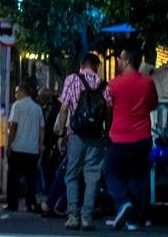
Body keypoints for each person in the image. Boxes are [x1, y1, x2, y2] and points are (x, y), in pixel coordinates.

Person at [57, 52, 112, 231]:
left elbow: (64, 108)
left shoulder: (72, 79)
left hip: (76, 135)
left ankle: (73, 216)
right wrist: (106, 133)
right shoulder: (104, 85)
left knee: (72, 175)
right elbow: (109, 112)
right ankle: (87, 218)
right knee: (93, 176)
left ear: (81, 64)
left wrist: (61, 134)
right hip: (96, 136)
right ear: (96, 66)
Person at [104, 47, 158, 231]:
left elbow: (109, 107)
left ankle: (123, 201)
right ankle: (133, 220)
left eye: (120, 58)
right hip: (142, 137)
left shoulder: (114, 84)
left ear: (126, 60)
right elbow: (153, 105)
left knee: (111, 171)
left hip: (119, 136)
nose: (118, 61)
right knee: (137, 177)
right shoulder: (148, 83)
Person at [6, 82, 45, 214]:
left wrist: (9, 145)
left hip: (18, 147)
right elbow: (41, 129)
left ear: (23, 92)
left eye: (17, 92)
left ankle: (12, 204)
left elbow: (13, 126)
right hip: (32, 149)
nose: (15, 95)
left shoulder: (17, 106)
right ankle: (30, 203)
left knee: (13, 177)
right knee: (31, 178)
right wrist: (40, 145)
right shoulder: (37, 108)